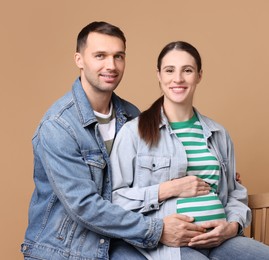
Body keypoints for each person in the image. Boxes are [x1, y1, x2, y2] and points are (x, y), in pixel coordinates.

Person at [21, 22, 206, 260]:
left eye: (118, 56)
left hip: (119, 242)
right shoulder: (59, 126)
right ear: (79, 59)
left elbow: (153, 171)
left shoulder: (132, 116)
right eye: (100, 56)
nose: (111, 66)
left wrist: (214, 173)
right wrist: (157, 230)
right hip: (66, 250)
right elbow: (84, 206)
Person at [110, 41, 269, 259]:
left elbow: (235, 193)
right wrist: (170, 188)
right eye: (169, 70)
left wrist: (231, 227)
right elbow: (116, 199)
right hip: (172, 245)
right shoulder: (133, 133)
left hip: (221, 240)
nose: (178, 79)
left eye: (187, 70)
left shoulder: (218, 134)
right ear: (159, 75)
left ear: (199, 76)